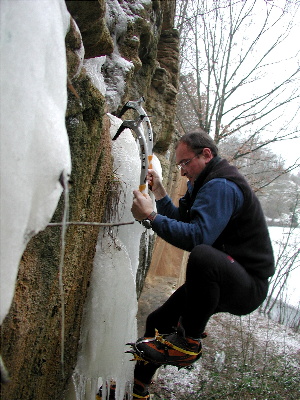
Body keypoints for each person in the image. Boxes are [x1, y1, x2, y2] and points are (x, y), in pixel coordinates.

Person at [119, 130, 275, 400]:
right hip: (222, 273)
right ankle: (136, 389)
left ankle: (188, 342)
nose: (182, 171)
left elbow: (198, 237)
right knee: (158, 322)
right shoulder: (205, 182)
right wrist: (160, 194)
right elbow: (184, 220)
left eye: (184, 163)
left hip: (247, 284)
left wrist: (152, 217)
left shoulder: (221, 185)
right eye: (179, 164)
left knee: (202, 254)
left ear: (206, 154)